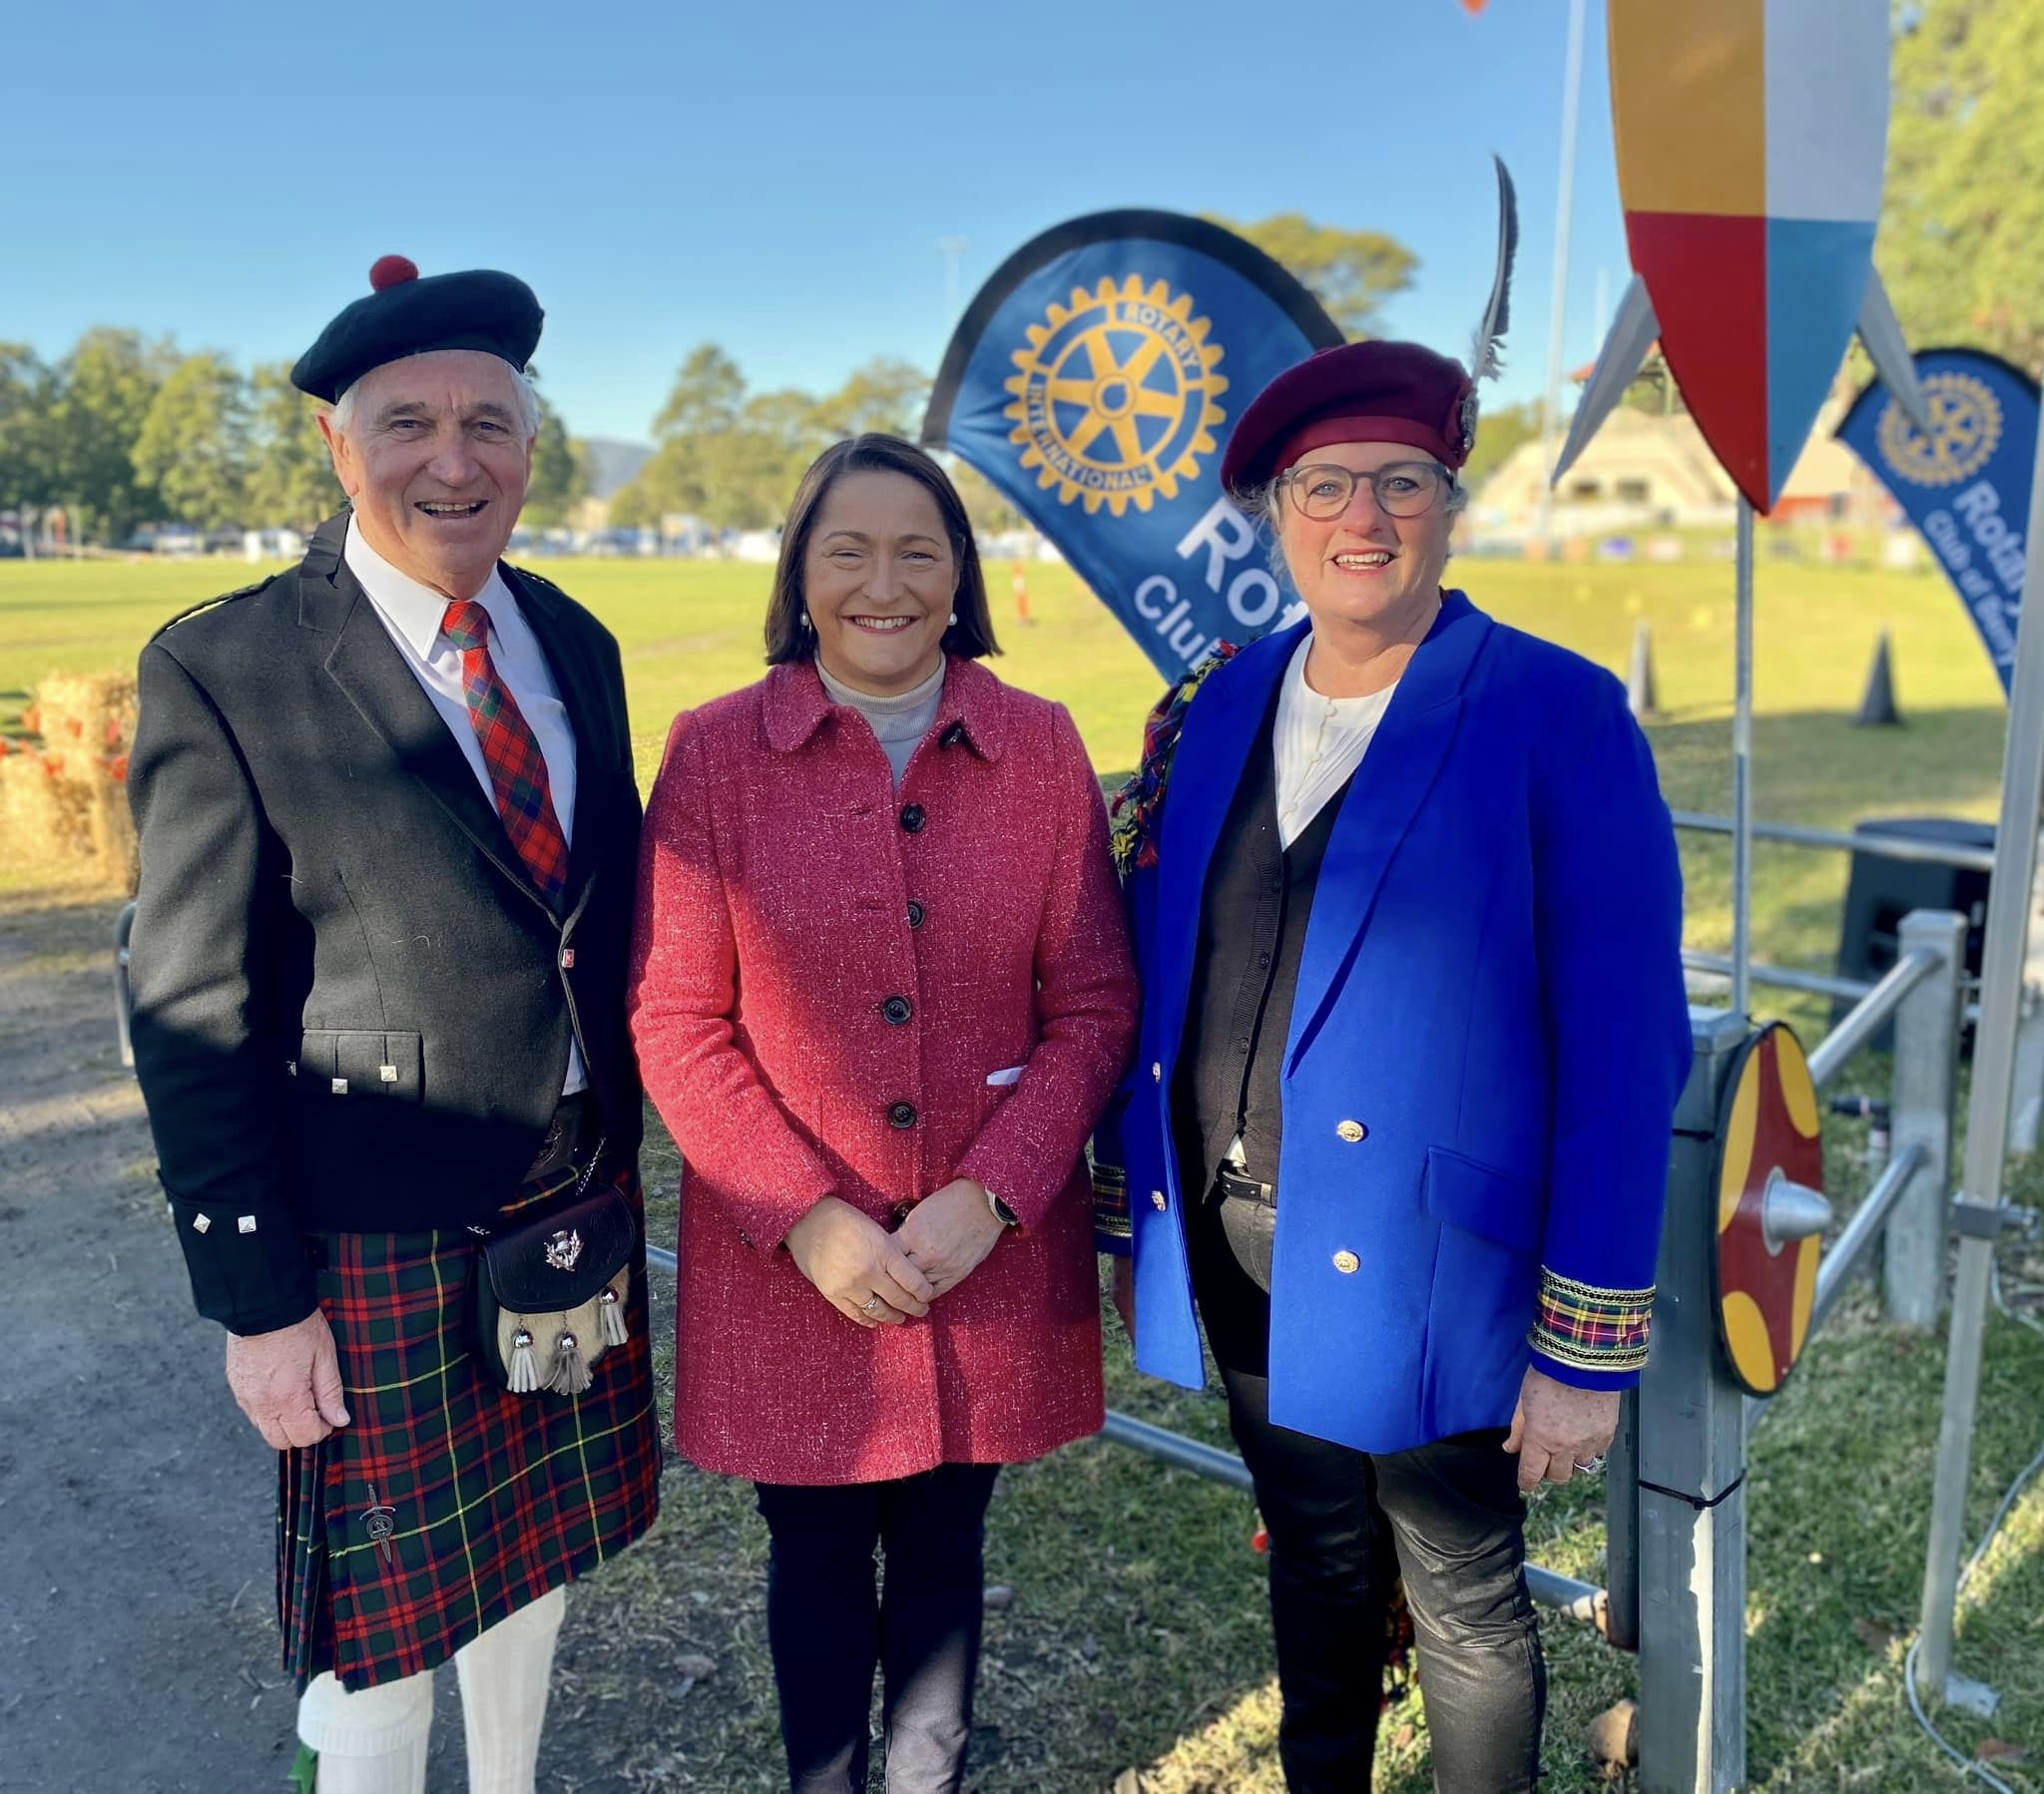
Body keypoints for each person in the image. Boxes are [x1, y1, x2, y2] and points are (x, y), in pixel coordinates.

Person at [1092, 336, 1692, 1791]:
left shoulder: (1556, 712)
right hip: (1240, 1237)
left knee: (1470, 1603)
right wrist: (1133, 1216)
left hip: (1442, 1267)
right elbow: (1162, 963)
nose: (1363, 517)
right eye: (1326, 485)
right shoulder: (1220, 702)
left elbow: (1627, 1042)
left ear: (1450, 502)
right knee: (1312, 1552)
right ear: (1275, 512)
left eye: (1403, 482)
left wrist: (1586, 1342)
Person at [127, 256, 661, 1794]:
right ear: (335, 446)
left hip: (572, 1186)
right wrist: (256, 1297)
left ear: (533, 448)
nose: (454, 459)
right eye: (410, 421)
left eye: (488, 422)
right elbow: (188, 1001)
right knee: (376, 1635)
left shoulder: (574, 639)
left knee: (535, 1567)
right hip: (375, 1226)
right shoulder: (225, 665)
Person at [628, 434, 1136, 1793]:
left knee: (945, 1545)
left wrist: (1001, 1189)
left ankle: (929, 1776)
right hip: (794, 1263)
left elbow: (1093, 1001)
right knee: (811, 1548)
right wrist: (802, 1218)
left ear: (960, 570)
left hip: (984, 1248)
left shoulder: (1036, 747)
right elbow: (675, 1017)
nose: (883, 583)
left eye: (918, 548)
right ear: (800, 568)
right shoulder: (717, 752)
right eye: (847, 548)